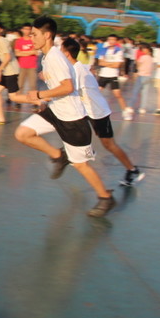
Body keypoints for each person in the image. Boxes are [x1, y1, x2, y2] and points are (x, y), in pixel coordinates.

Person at [12, 16, 116, 217]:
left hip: (72, 119)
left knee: (80, 165)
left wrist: (40, 95)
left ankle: (105, 198)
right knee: (22, 133)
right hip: (54, 111)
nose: (31, 38)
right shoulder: (46, 57)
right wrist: (45, 102)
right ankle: (59, 156)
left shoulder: (55, 58)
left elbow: (68, 87)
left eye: (34, 34)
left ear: (47, 35)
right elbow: (57, 87)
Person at [62, 38, 145, 186]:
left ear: (67, 53)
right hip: (87, 111)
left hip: (98, 113)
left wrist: (43, 96)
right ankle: (81, 151)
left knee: (109, 144)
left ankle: (132, 170)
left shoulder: (77, 71)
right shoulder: (75, 68)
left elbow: (67, 90)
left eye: (61, 51)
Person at [0, 22, 20, 123]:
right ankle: (0, 117)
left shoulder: (2, 41)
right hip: (6, 71)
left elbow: (8, 57)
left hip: (10, 71)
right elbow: (1, 54)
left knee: (13, 97)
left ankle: (39, 101)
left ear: (1, 30)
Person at [96, 35, 130, 119]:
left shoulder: (118, 51)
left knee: (118, 94)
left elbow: (117, 65)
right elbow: (100, 62)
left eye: (113, 40)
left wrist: (107, 63)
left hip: (113, 76)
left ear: (116, 41)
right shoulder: (103, 50)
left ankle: (125, 111)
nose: (111, 41)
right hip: (103, 75)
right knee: (95, 93)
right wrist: (112, 64)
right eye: (109, 39)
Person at [125, 43, 154, 115]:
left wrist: (137, 62)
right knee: (145, 93)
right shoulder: (151, 58)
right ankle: (143, 108)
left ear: (147, 49)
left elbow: (138, 66)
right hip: (148, 76)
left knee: (135, 91)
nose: (143, 50)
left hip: (141, 75)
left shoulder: (143, 57)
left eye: (144, 49)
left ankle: (130, 106)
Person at [15, 23, 39, 96]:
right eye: (25, 29)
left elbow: (36, 52)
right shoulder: (19, 41)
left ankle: (34, 100)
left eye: (28, 29)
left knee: (33, 85)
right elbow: (17, 53)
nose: (27, 31)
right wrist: (31, 52)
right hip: (21, 66)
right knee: (19, 85)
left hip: (33, 66)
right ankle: (18, 100)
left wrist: (23, 52)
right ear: (22, 30)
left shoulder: (34, 40)